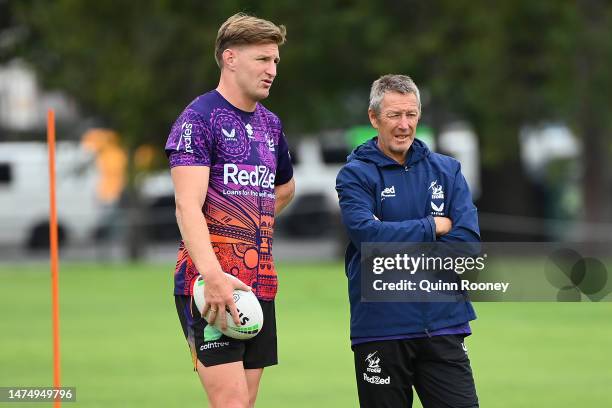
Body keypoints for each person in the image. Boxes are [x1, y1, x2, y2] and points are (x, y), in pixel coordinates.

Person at [164, 13, 294, 408]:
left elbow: (285, 188)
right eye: (262, 60)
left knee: (246, 402)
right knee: (232, 403)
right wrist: (212, 274)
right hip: (209, 287)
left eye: (275, 61)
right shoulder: (198, 119)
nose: (272, 70)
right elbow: (186, 206)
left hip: (259, 285)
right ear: (230, 58)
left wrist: (254, 220)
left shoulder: (271, 126)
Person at [336, 74, 480, 407]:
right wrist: (433, 227)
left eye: (411, 115)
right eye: (394, 115)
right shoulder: (355, 175)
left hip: (444, 323)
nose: (404, 125)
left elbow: (467, 247)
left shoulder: (448, 171)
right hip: (381, 328)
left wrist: (392, 242)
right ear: (374, 118)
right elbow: (368, 237)